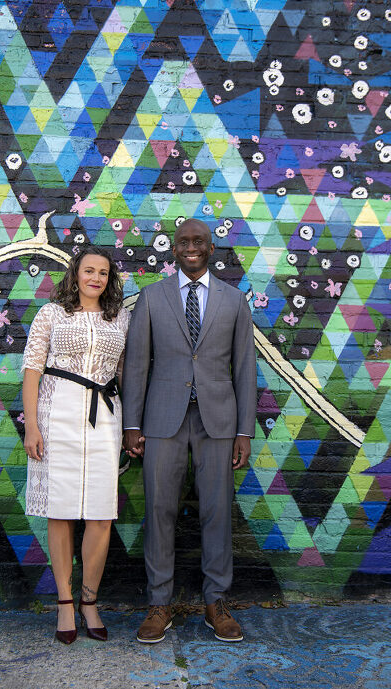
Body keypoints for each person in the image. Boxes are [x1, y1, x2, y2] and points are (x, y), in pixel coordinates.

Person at [122, 218, 257, 644]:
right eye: (184, 242)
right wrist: (132, 423)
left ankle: (216, 603)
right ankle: (159, 604)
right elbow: (138, 365)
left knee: (216, 513)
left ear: (211, 249)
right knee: (159, 511)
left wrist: (245, 432)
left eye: (199, 241)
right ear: (173, 249)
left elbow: (245, 370)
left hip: (218, 422)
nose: (191, 248)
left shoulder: (235, 301)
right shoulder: (151, 298)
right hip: (163, 421)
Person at [22, 247, 130, 645]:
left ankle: (90, 601)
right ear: (76, 273)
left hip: (104, 418)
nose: (96, 278)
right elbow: (32, 372)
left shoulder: (120, 317)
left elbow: (124, 374)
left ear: (109, 279)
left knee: (101, 514)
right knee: (61, 511)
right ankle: (65, 603)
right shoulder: (50, 314)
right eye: (89, 270)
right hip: (57, 415)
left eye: (103, 272)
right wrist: (32, 426)